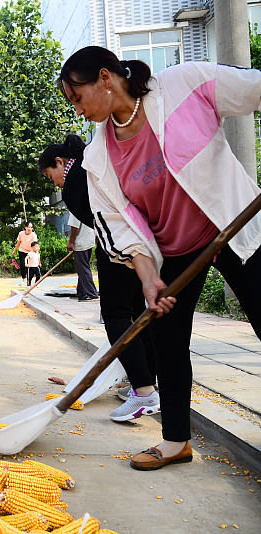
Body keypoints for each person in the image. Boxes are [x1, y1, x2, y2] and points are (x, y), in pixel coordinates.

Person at [58, 46, 261, 470]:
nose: (77, 111)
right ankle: (175, 442)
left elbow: (254, 88)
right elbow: (124, 227)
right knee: (167, 343)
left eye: (77, 98)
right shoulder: (98, 158)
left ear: (105, 78)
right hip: (175, 251)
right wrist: (149, 277)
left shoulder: (184, 85)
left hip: (232, 226)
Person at [40, 134, 159, 424]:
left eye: (50, 175)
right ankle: (146, 381)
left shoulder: (73, 187)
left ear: (59, 162)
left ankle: (143, 391)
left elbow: (100, 221)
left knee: (115, 316)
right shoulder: (90, 158)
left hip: (117, 245)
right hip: (141, 236)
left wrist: (117, 253)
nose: (53, 182)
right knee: (138, 314)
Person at [66, 213, 99, 302]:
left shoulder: (74, 209)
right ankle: (81, 293)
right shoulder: (86, 206)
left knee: (83, 269)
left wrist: (71, 242)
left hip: (81, 243)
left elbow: (74, 228)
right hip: (89, 241)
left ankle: (92, 294)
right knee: (82, 268)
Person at [12, 221, 37, 286]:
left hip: (30, 252)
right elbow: (18, 242)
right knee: (23, 265)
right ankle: (24, 280)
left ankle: (29, 281)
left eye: (31, 227)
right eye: (28, 227)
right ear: (25, 227)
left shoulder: (33, 235)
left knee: (29, 266)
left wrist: (36, 254)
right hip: (22, 250)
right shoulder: (21, 233)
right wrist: (14, 250)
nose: (29, 229)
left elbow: (35, 245)